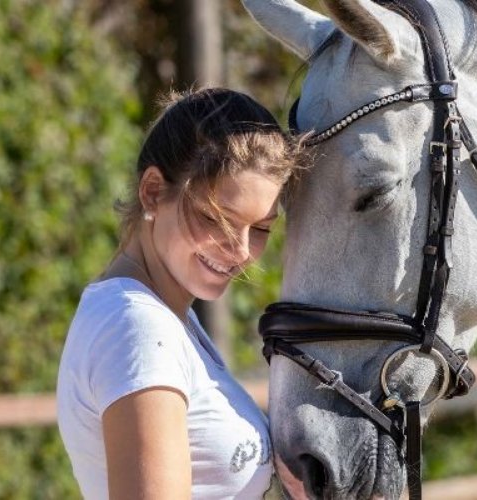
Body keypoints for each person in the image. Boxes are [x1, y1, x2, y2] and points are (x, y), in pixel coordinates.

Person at [56, 88, 299, 499]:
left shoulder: (164, 318)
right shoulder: (135, 327)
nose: (241, 249)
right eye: (216, 218)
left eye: (260, 228)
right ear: (153, 192)